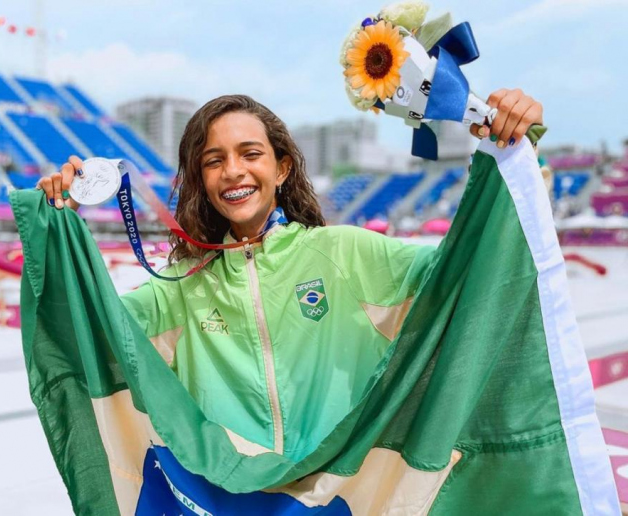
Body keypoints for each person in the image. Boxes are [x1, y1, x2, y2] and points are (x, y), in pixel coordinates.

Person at [33, 91, 546, 489]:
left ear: (280, 168)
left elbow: (468, 276)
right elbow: (86, 338)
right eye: (213, 160)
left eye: (249, 153)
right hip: (233, 499)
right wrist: (59, 230)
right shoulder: (180, 289)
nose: (232, 169)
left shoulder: (345, 253)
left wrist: (509, 160)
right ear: (200, 180)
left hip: (339, 495)